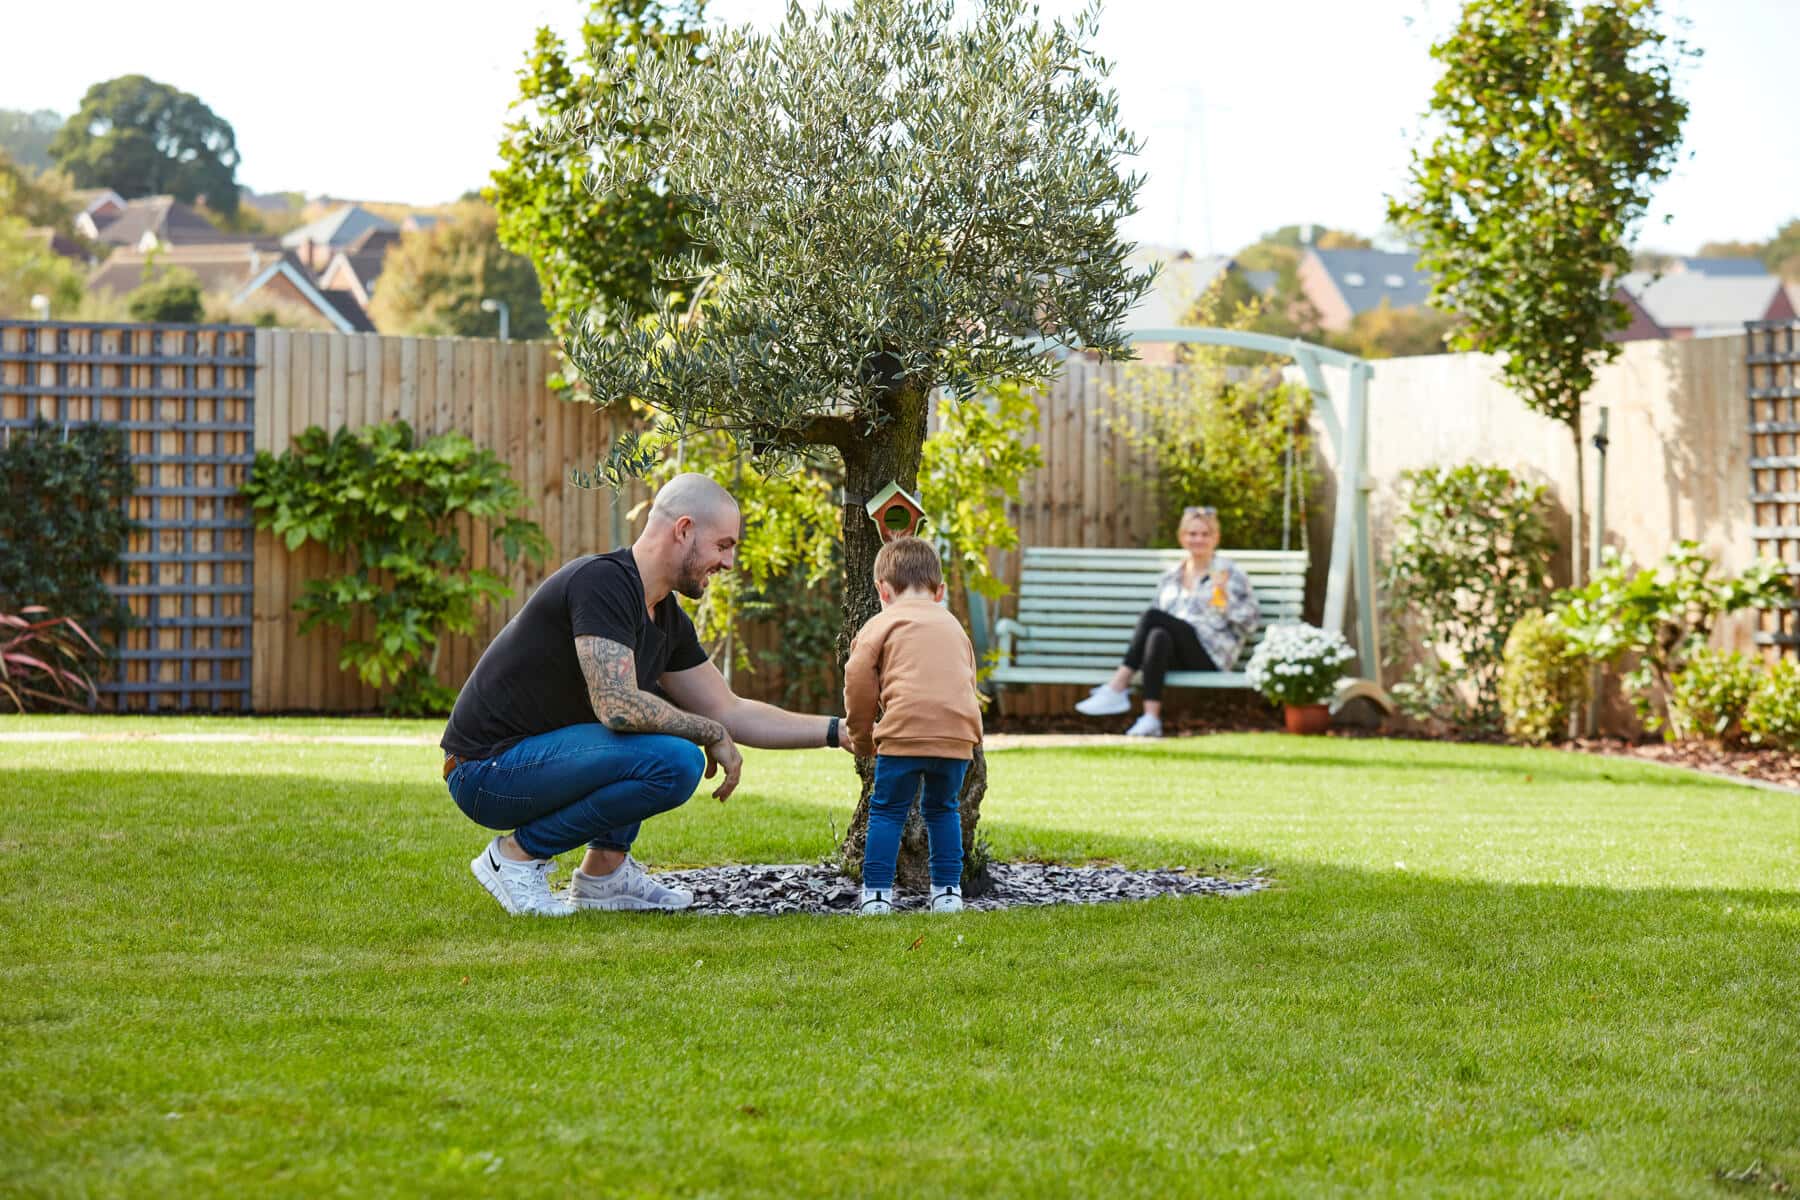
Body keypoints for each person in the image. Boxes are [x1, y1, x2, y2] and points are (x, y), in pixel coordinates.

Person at [440, 473, 853, 917]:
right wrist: (708, 731)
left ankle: (605, 874)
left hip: (533, 764)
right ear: (684, 530)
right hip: (486, 771)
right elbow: (617, 707)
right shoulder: (603, 583)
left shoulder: (667, 619)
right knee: (676, 758)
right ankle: (515, 857)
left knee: (666, 736)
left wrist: (839, 731)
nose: (729, 562)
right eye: (723, 545)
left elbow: (729, 710)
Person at [842, 536, 983, 916]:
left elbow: (857, 680)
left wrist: (861, 737)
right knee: (943, 810)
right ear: (940, 591)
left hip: (903, 732)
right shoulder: (954, 627)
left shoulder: (881, 624)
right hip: (956, 736)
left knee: (888, 811)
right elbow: (968, 680)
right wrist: (971, 736)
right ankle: (948, 893)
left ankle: (876, 895)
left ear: (882, 590)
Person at [1074, 504, 1261, 737]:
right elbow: (1156, 625)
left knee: (1152, 617)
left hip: (1211, 655)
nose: (1198, 539)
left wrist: (1226, 601)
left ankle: (1118, 686)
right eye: (1192, 534)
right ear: (1182, 537)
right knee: (1157, 635)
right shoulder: (1171, 576)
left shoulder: (1229, 574)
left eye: (1205, 534)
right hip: (1173, 654)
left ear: (1216, 538)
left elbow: (1251, 623)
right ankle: (1151, 718)